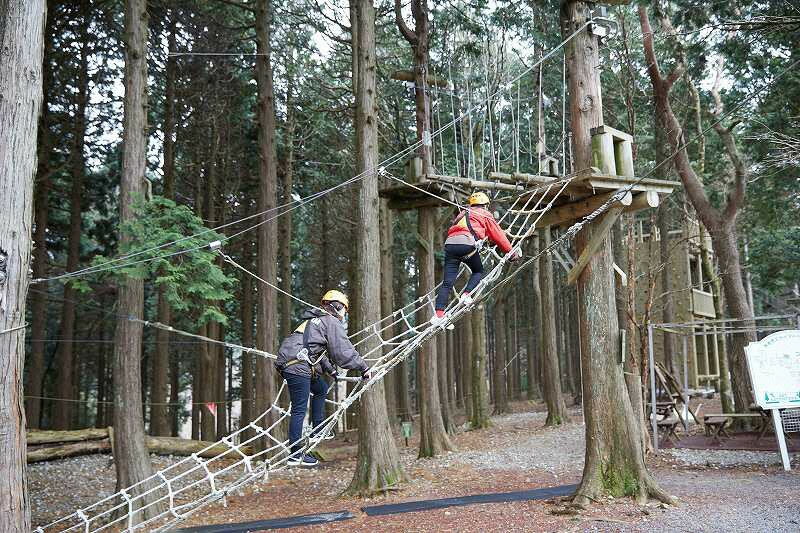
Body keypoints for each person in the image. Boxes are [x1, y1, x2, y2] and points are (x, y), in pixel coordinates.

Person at [275, 290, 371, 467]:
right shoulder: (330, 321)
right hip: (298, 366)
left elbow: (314, 350)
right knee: (298, 409)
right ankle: (295, 454)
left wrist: (331, 370)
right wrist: (363, 367)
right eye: (344, 310)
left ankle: (317, 429)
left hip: (294, 362)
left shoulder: (313, 321)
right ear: (337, 306)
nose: (344, 314)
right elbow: (342, 350)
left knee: (320, 388)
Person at [432, 192, 520, 325]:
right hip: (466, 244)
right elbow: (498, 235)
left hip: (450, 245)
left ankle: (438, 315)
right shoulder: (485, 214)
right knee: (478, 270)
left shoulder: (462, 214)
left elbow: (467, 228)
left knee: (447, 283)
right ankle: (466, 294)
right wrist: (511, 253)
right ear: (485, 205)